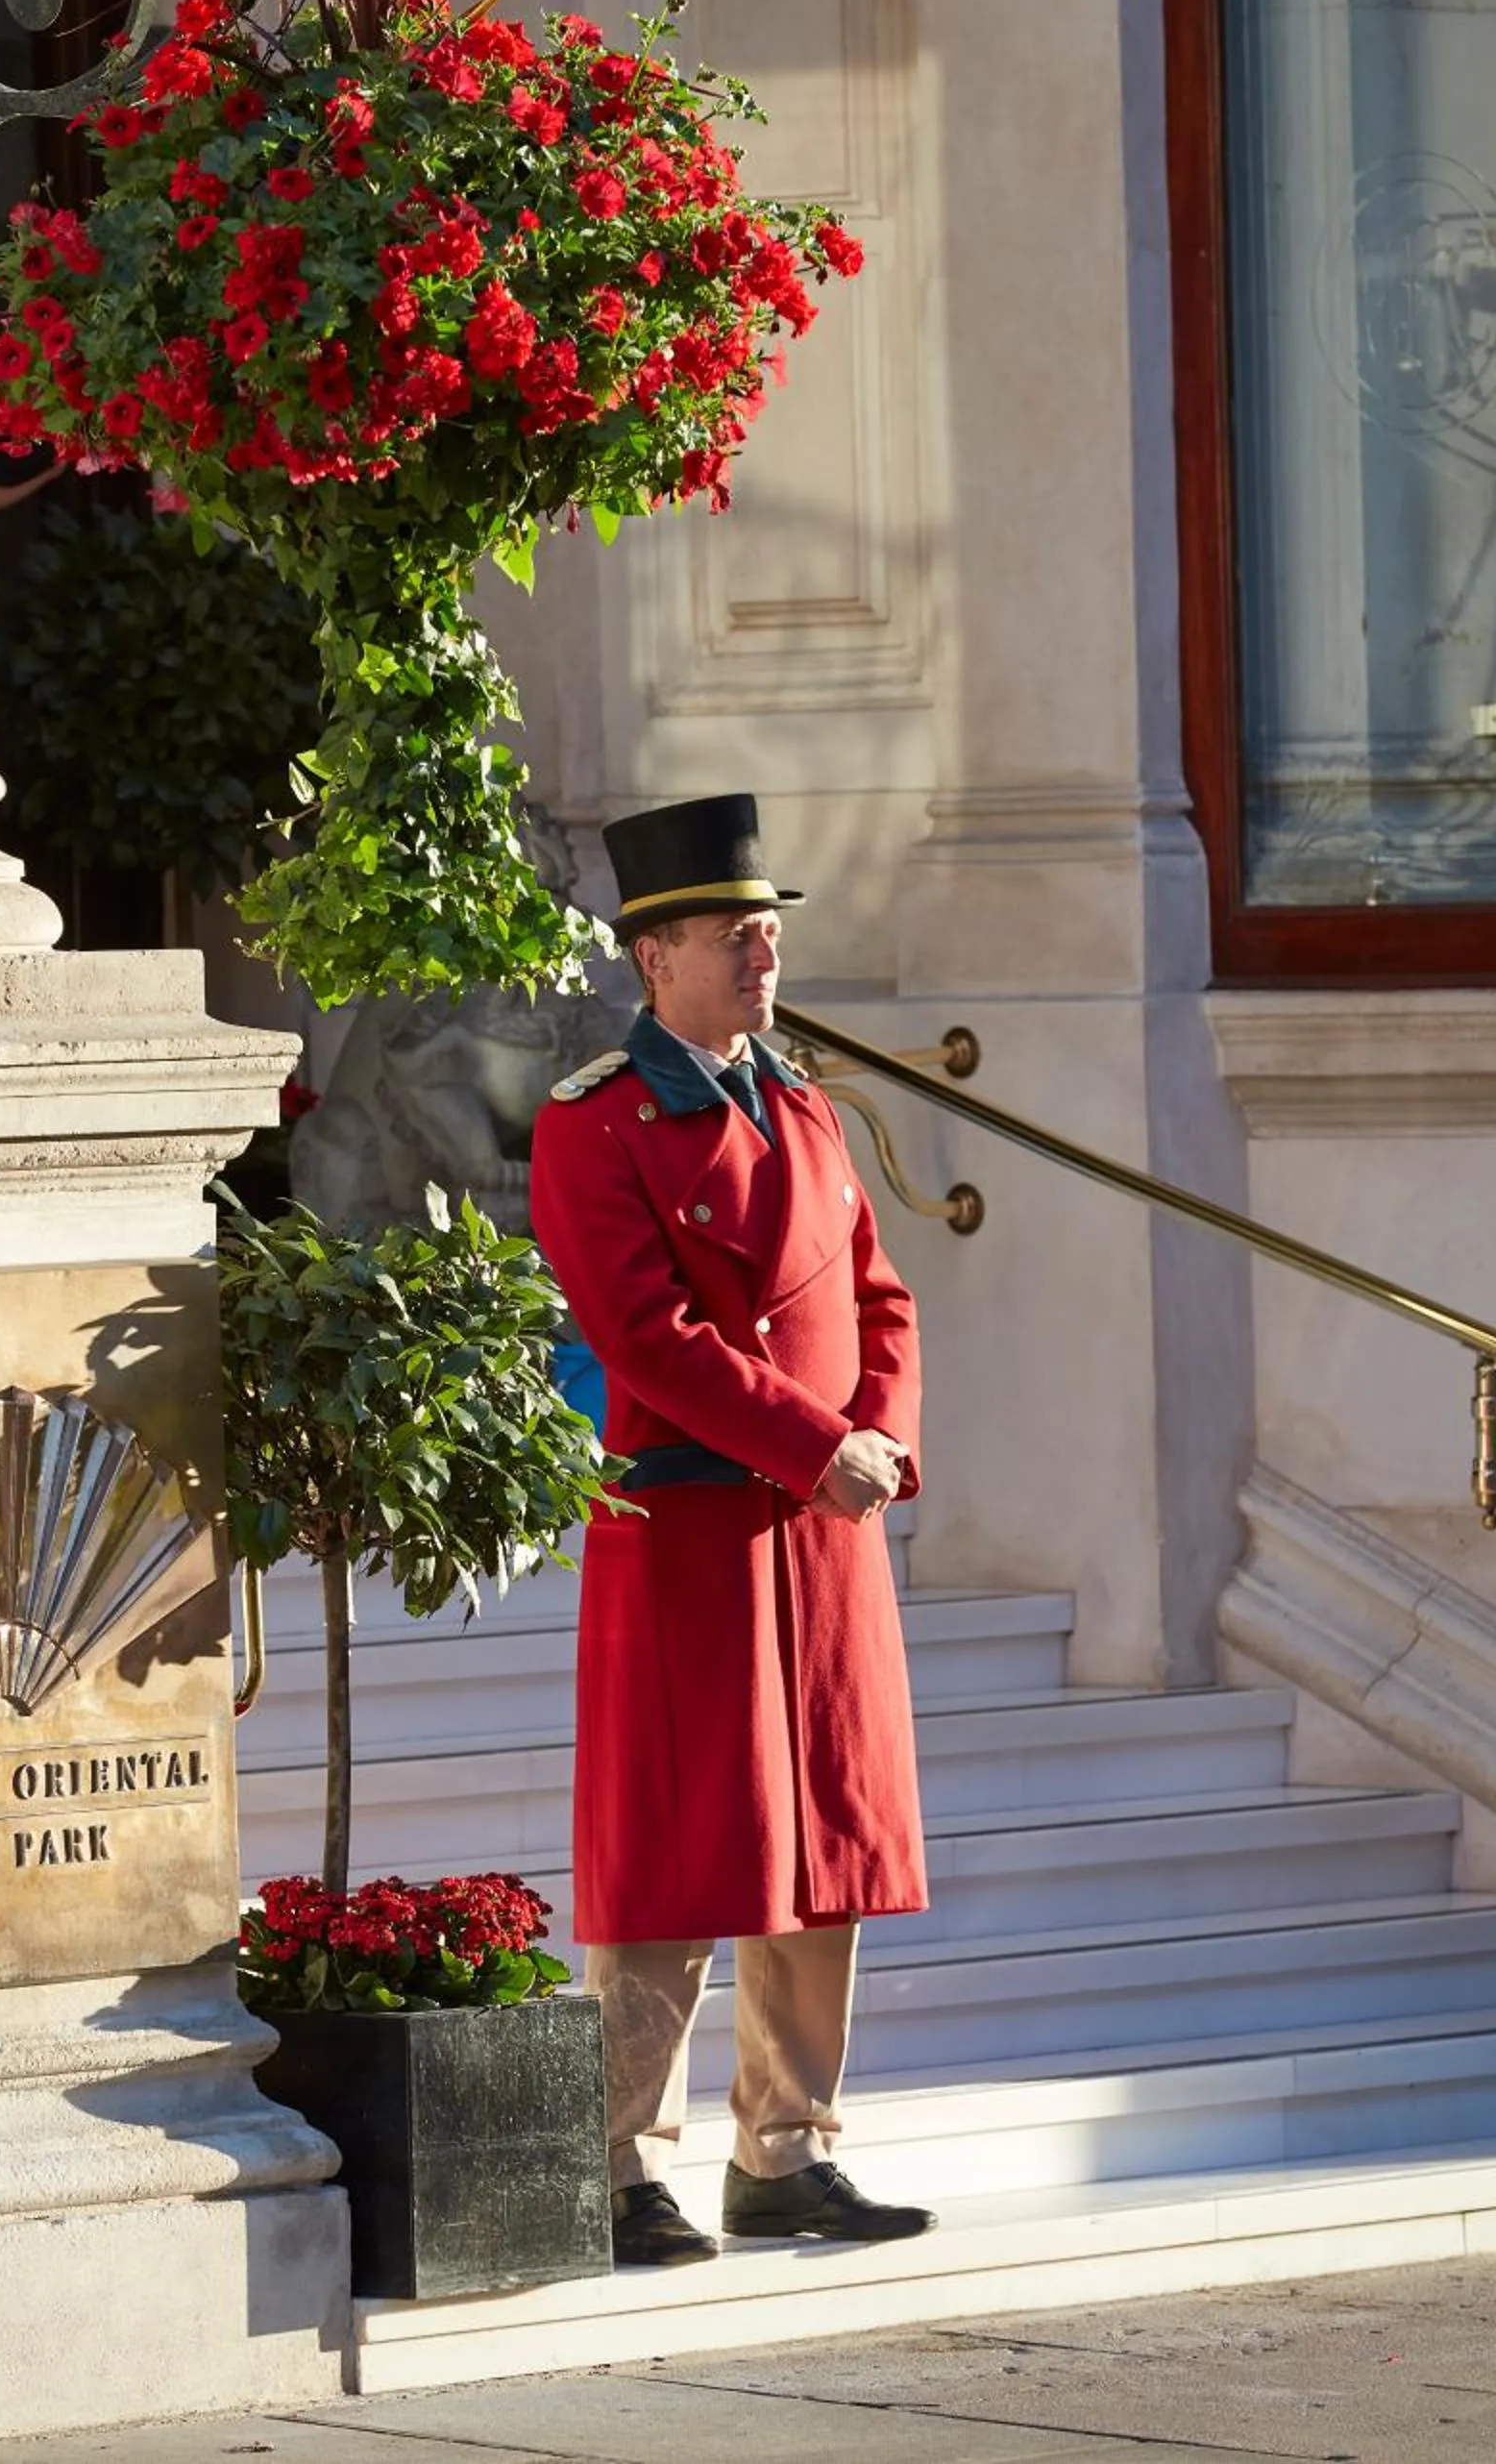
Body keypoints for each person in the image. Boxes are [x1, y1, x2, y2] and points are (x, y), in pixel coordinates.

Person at [529, 793, 936, 2270]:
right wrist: (821, 1445)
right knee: (682, 1839)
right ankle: (626, 2161)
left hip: (824, 1526)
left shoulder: (810, 1106)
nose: (764, 953)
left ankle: (790, 2149)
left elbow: (878, 1294)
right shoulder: (596, 1126)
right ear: (657, 960)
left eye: (770, 931)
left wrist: (879, 1443)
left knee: (824, 1836)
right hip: (693, 1517)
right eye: (735, 934)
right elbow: (647, 1334)